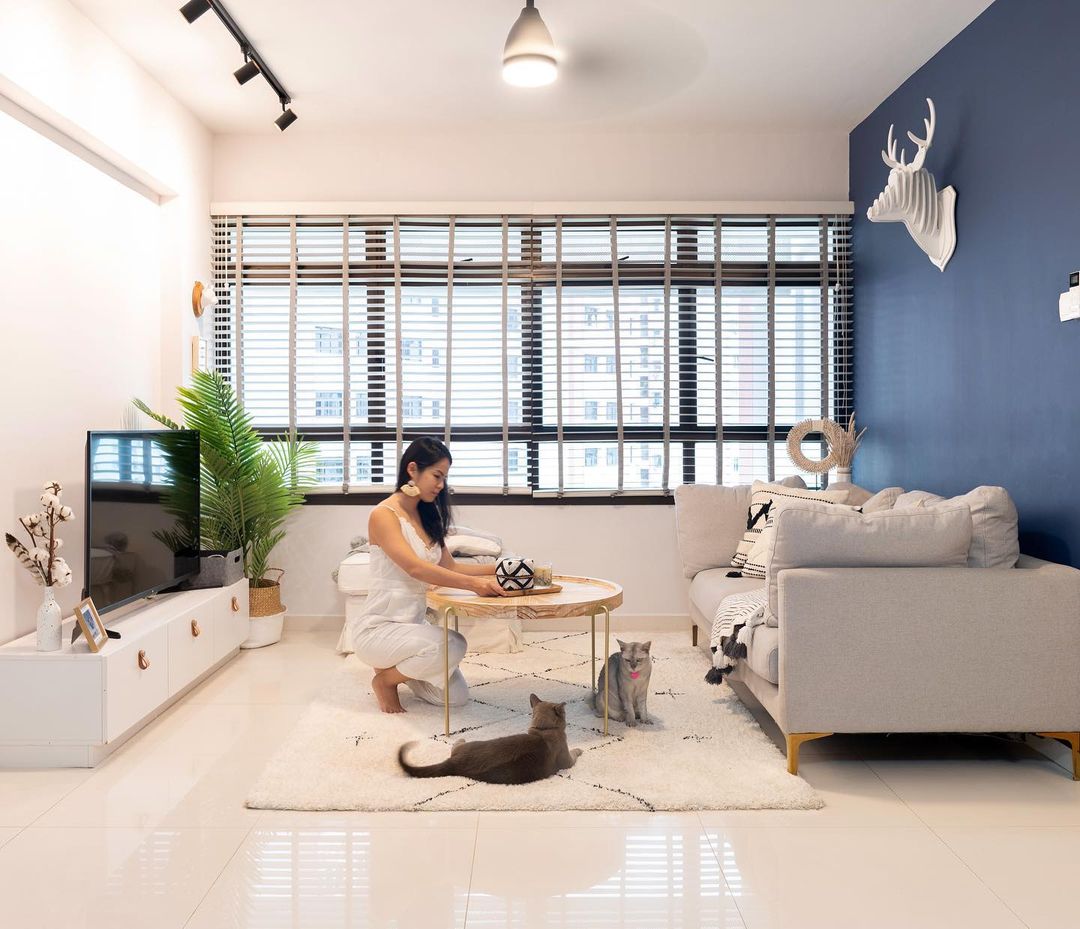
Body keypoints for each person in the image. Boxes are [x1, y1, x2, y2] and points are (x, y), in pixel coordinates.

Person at [347, 437, 509, 713]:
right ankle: (385, 680)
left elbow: (451, 567)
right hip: (378, 629)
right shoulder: (383, 514)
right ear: (413, 470)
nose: (441, 485)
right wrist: (474, 585)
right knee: (453, 644)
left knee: (456, 698)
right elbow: (415, 568)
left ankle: (399, 666)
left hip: (413, 629)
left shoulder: (427, 516)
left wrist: (508, 569)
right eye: (436, 475)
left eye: (444, 477)